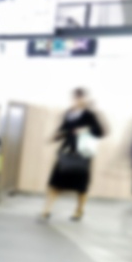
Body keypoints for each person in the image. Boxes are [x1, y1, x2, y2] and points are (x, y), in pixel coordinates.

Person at [41, 88, 105, 222]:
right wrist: (56, 136)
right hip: (66, 151)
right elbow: (63, 129)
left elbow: (101, 131)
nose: (77, 100)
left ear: (85, 99)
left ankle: (79, 210)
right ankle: (47, 209)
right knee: (55, 182)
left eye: (80, 98)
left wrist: (86, 129)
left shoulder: (89, 114)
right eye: (75, 98)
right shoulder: (68, 113)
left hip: (83, 153)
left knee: (81, 185)